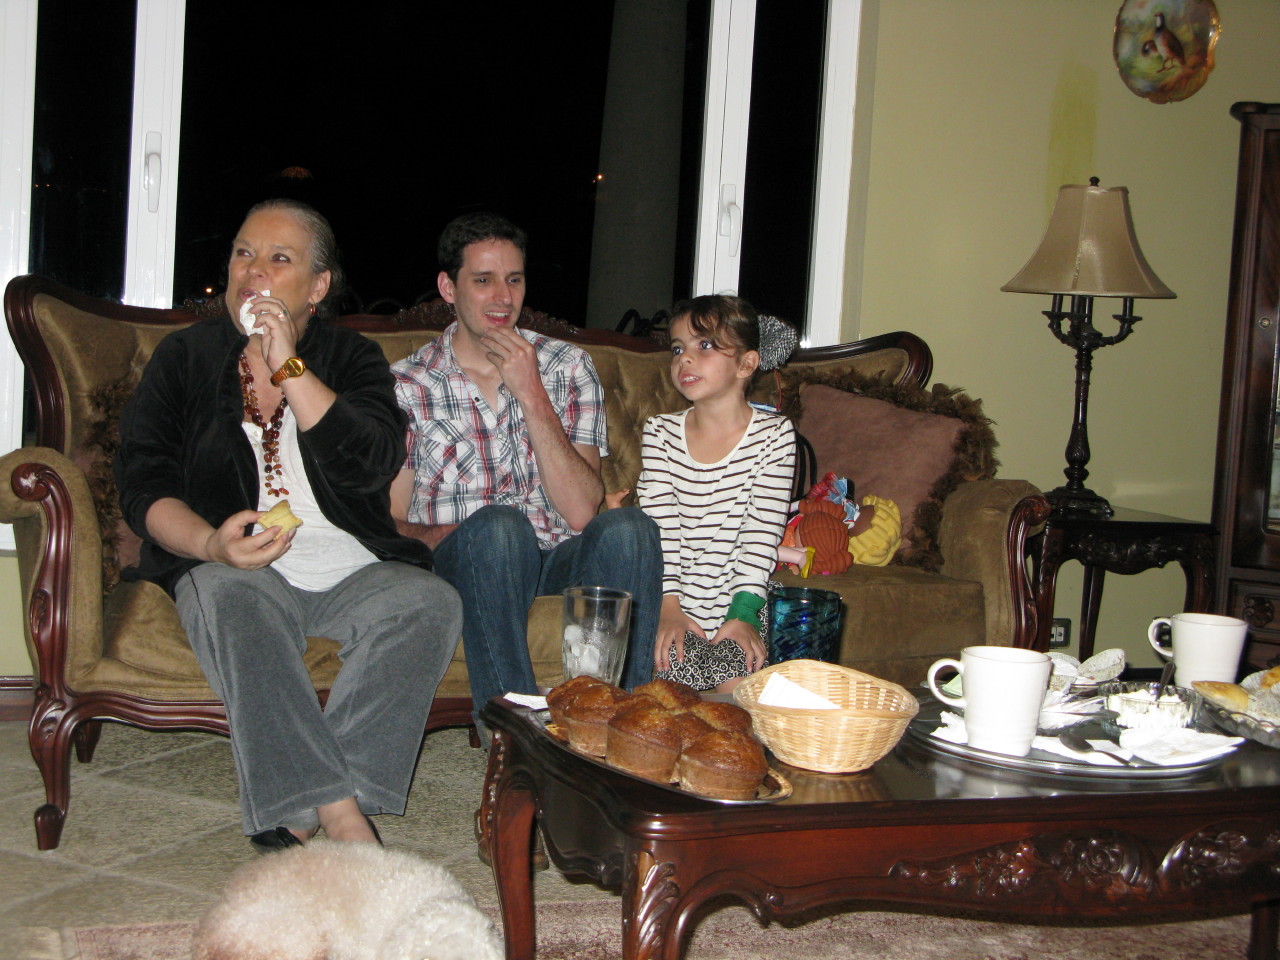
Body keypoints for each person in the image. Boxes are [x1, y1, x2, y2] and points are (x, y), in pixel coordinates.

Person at [115, 199, 461, 853]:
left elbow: (371, 461)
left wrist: (289, 366)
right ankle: (341, 812)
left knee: (429, 602)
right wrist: (211, 544)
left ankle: (299, 807)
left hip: (349, 568)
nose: (253, 272)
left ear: (318, 286)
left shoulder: (353, 357)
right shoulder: (184, 358)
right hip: (235, 566)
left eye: (279, 259)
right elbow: (144, 485)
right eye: (243, 253)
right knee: (230, 593)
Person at [390, 212, 661, 720]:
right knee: (499, 528)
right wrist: (455, 536)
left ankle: (622, 725)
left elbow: (581, 513)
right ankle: (514, 737)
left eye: (513, 280)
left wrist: (531, 391)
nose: (503, 297)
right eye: (483, 280)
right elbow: (391, 522)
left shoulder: (567, 366)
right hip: (467, 562)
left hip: (555, 558)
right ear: (448, 288)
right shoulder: (407, 385)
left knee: (630, 529)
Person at [636, 295, 797, 692]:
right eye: (678, 349)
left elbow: (762, 533)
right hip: (673, 597)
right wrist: (668, 608)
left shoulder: (775, 435)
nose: (685, 359)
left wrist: (742, 615)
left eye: (704, 345)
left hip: (741, 597)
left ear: (746, 364)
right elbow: (661, 531)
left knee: (740, 692)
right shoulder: (660, 433)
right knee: (672, 691)